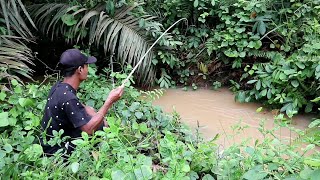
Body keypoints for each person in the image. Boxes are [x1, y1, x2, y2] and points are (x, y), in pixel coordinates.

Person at [40, 49, 124, 155]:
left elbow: (80, 107)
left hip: (49, 143)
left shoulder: (59, 87)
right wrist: (109, 102)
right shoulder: (68, 98)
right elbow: (88, 130)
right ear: (80, 69)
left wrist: (94, 113)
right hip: (57, 151)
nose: (88, 69)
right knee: (99, 127)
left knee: (93, 114)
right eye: (86, 65)